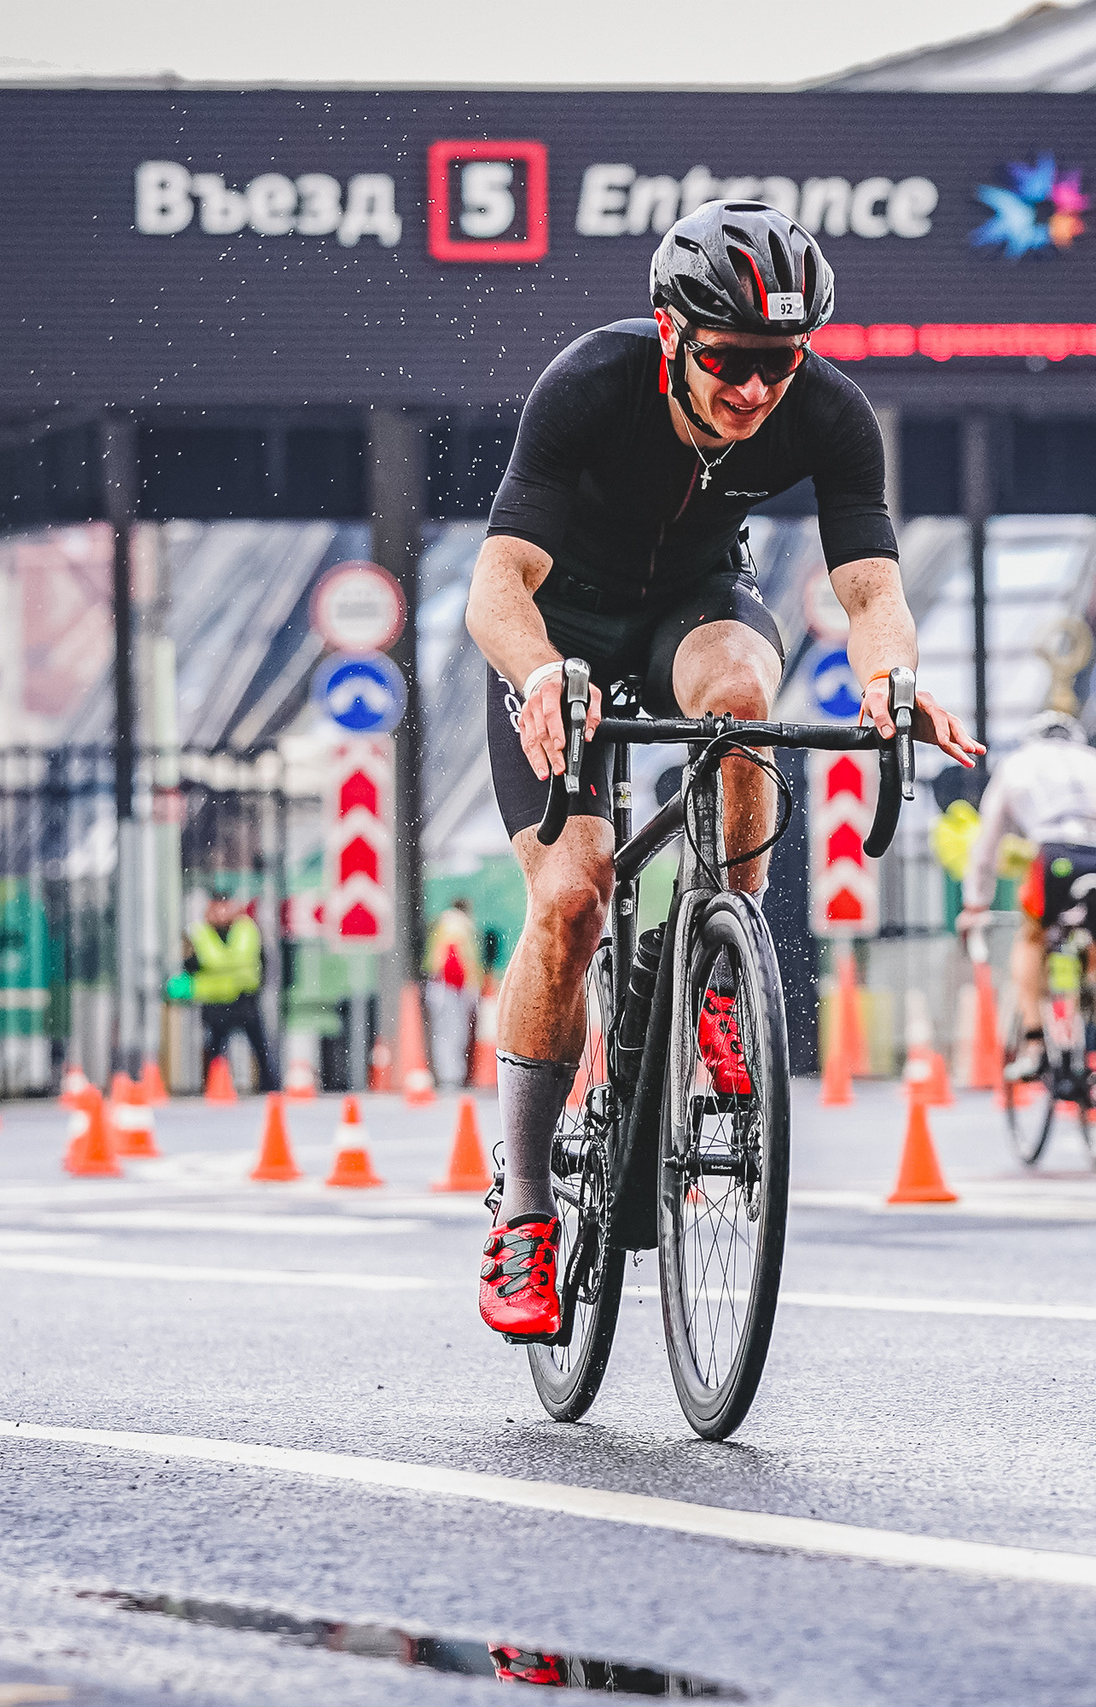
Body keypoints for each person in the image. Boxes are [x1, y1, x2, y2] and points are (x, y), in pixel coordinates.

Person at [463, 199, 981, 1343]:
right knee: (571, 900)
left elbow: (871, 594)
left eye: (779, 365)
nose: (756, 393)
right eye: (732, 364)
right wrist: (543, 675)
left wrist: (892, 682)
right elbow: (495, 584)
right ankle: (528, 1210)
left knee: (744, 699)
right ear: (670, 334)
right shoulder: (590, 385)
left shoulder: (829, 413)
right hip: (559, 634)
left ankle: (715, 969)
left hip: (690, 612)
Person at [954, 712, 1096, 1084]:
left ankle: (1035, 1042)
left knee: (1033, 937)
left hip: (1057, 852)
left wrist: (975, 904)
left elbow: (987, 846)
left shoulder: (1018, 764)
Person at [185, 887, 278, 1094]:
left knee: (259, 1046)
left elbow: (261, 960)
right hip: (216, 1001)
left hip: (245, 999)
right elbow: (190, 964)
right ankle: (214, 1086)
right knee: (216, 1049)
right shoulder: (201, 933)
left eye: (226, 906)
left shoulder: (246, 929)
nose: (222, 912)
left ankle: (269, 1086)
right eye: (218, 907)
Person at [424, 896, 484, 1091]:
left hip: (441, 984)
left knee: (445, 1032)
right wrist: (464, 988)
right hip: (452, 988)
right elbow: (453, 959)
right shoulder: (458, 925)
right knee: (453, 1032)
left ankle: (448, 1076)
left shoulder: (442, 924)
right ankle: (451, 1077)